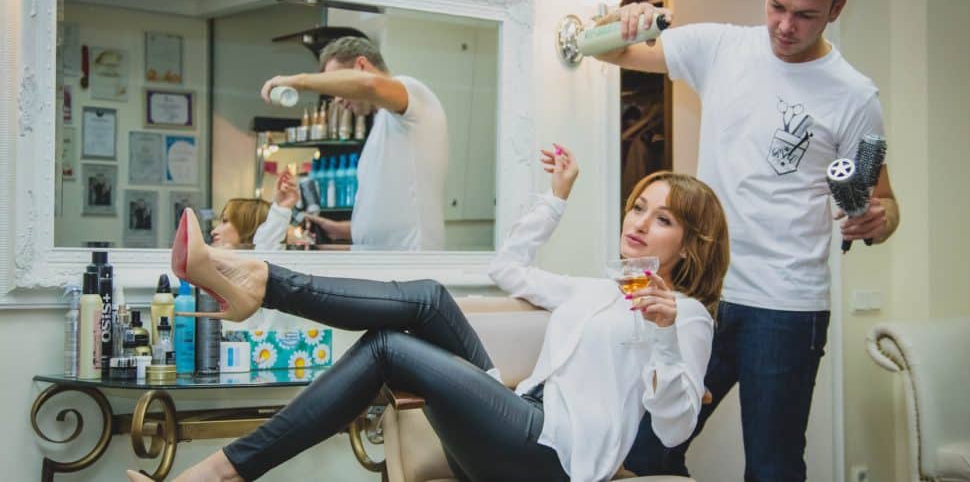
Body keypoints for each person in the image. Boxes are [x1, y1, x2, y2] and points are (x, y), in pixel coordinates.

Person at [128, 144, 730, 482]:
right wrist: (558, 194)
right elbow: (509, 270)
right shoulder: (594, 290)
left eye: (663, 218)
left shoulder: (687, 317)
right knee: (429, 299)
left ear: (690, 242)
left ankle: (224, 468)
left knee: (389, 347)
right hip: (525, 418)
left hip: (554, 459)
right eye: (638, 206)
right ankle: (262, 282)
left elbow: (676, 429)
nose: (639, 222)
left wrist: (663, 336)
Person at [594, 0, 901, 480]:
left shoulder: (855, 95)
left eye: (805, 15)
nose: (784, 26)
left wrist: (881, 217)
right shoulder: (719, 47)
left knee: (772, 467)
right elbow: (606, 50)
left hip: (787, 306)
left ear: (836, 9)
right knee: (646, 451)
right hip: (702, 295)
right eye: (777, 6)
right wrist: (620, 20)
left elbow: (881, 199)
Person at [260, 36, 448, 251]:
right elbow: (389, 218)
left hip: (410, 264)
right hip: (381, 264)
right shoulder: (382, 124)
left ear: (361, 66)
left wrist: (298, 81)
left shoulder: (413, 92)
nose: (338, 100)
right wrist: (340, 231)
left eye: (338, 87)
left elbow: (370, 85)